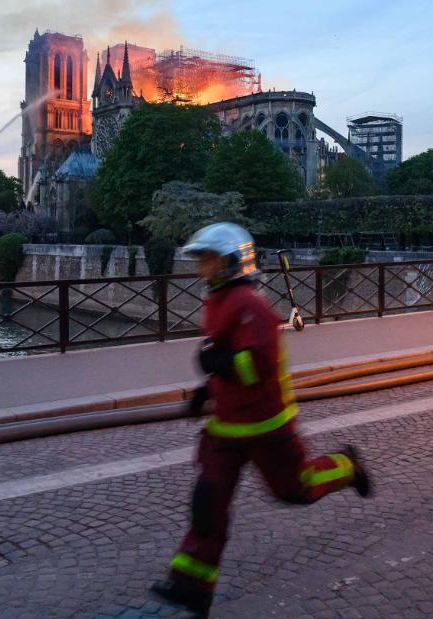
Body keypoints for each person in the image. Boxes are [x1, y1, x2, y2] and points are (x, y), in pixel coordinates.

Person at [150, 222, 372, 615]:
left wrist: (220, 364)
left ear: (231, 262)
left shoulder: (251, 306)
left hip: (267, 425)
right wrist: (211, 385)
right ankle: (192, 586)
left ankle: (347, 466)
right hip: (226, 425)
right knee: (208, 503)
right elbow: (228, 354)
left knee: (295, 489)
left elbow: (258, 366)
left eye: (208, 259)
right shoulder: (221, 299)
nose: (202, 267)